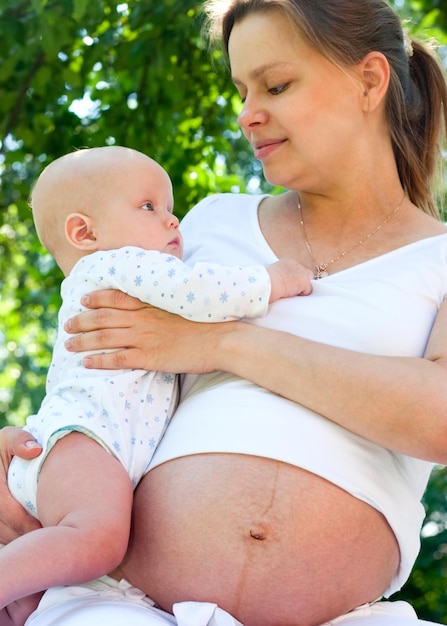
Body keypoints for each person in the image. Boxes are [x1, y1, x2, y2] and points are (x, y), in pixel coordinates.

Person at [1, 0, 447, 625]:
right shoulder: (206, 223)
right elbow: (100, 355)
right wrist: (41, 452)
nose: (247, 115)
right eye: (240, 90)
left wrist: (224, 345)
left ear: (369, 80)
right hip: (128, 605)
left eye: (277, 84)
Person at [0, 145, 313, 626]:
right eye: (149, 207)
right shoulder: (117, 266)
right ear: (84, 233)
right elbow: (201, 293)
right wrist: (270, 281)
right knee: (95, 541)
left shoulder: (106, 278)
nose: (172, 222)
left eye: (170, 209)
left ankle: (17, 603)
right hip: (87, 438)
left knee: (60, 563)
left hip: (83, 448)